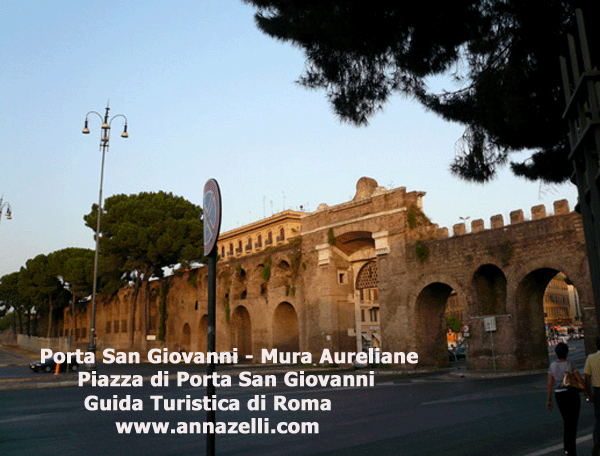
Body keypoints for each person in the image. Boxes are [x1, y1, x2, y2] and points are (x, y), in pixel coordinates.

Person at [547, 342, 584, 456]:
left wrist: (549, 399)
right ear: (567, 353)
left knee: (567, 421)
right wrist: (584, 388)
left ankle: (567, 449)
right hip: (571, 395)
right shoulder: (570, 364)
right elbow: (579, 379)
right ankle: (571, 449)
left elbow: (550, 384)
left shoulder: (552, 366)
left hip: (559, 396)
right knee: (572, 423)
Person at [584, 336, 600, 456]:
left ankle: (596, 441)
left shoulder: (591, 358)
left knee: (599, 418)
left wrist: (588, 395)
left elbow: (587, 379)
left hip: (598, 392)